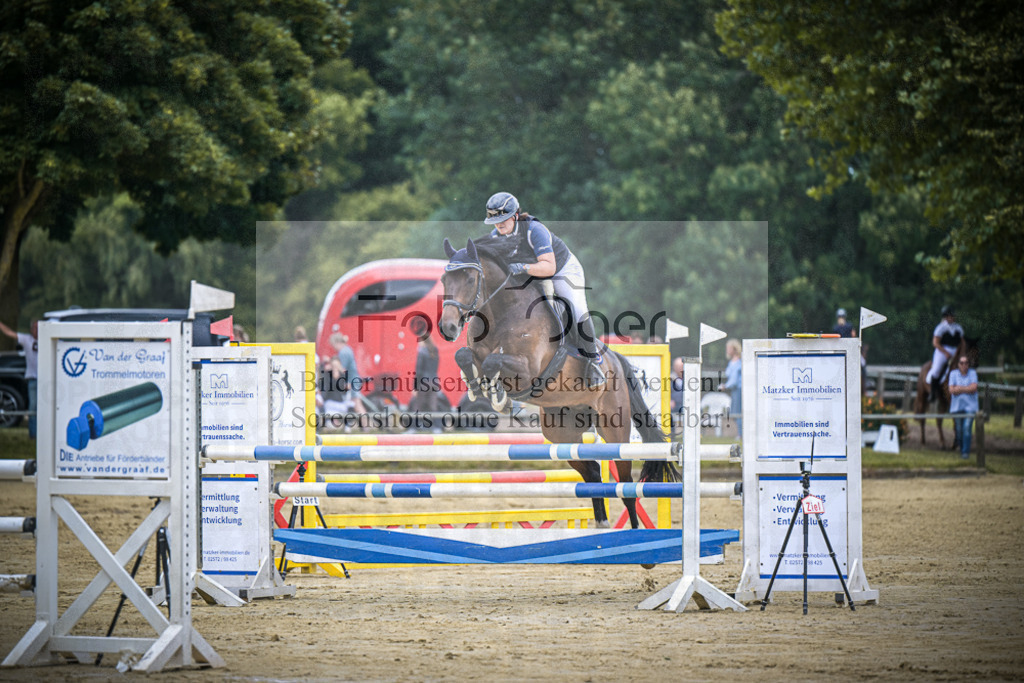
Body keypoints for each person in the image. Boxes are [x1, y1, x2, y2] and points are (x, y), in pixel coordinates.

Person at [484, 191, 605, 386]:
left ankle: (593, 360)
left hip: (562, 270)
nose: (499, 225)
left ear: (515, 216)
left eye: (504, 219)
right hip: (531, 273)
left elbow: (549, 267)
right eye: (496, 221)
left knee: (576, 309)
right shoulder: (495, 236)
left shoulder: (534, 230)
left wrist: (523, 267)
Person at [0, 319, 38, 439]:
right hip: (33, 378)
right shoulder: (27, 339)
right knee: (33, 408)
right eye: (35, 328)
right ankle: (33, 435)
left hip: (48, 380)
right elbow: (10, 333)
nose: (37, 331)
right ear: (31, 330)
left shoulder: (49, 340)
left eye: (39, 328)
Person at [407, 317, 442, 432]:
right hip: (434, 382)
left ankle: (413, 428)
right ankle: (437, 428)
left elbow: (419, 371)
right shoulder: (435, 351)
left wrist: (415, 387)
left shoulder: (422, 352)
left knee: (417, 406)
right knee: (433, 406)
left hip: (423, 382)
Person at [925, 305, 965, 403]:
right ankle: (933, 393)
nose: (952, 318)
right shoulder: (941, 328)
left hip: (956, 351)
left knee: (965, 366)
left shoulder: (958, 328)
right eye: (950, 316)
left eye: (952, 316)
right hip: (942, 351)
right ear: (945, 317)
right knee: (936, 370)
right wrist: (946, 352)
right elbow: (935, 342)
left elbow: (962, 342)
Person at [948, 355, 978, 459]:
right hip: (957, 408)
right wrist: (967, 388)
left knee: (966, 428)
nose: (964, 365)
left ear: (969, 364)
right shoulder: (953, 374)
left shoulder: (973, 373)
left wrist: (959, 388)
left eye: (966, 363)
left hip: (970, 407)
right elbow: (951, 390)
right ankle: (933, 391)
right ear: (958, 364)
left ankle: (965, 452)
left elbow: (974, 388)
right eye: (961, 363)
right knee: (959, 430)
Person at [330, 332, 366, 417]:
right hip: (354, 379)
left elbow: (342, 369)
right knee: (356, 403)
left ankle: (367, 427)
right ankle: (366, 427)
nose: (334, 348)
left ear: (337, 342)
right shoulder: (347, 349)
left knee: (357, 404)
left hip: (352, 381)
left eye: (333, 345)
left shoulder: (343, 352)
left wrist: (333, 366)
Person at [719, 339, 742, 436]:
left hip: (739, 390)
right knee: (735, 413)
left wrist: (725, 386)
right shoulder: (732, 362)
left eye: (729, 348)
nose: (727, 350)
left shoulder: (738, 363)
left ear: (734, 349)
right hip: (734, 391)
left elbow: (734, 380)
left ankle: (741, 434)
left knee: (738, 413)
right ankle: (740, 434)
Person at [669, 356, 685, 435]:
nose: (681, 369)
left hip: (685, 404)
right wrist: (669, 400)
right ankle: (672, 433)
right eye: (678, 367)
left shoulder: (689, 379)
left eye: (682, 366)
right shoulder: (669, 379)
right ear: (674, 367)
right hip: (674, 405)